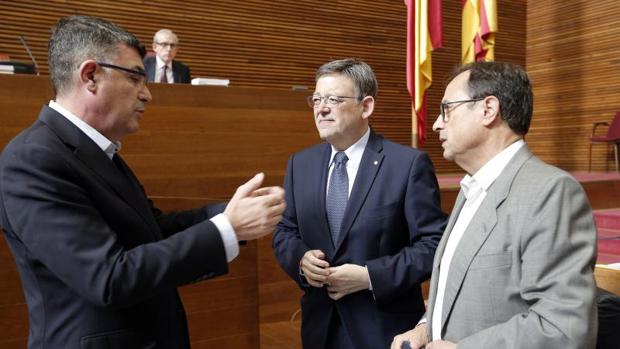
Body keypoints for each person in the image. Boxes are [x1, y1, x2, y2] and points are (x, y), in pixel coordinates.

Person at [0, 15, 285, 349]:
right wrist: (228, 228)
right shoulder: (33, 159)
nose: (147, 94)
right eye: (136, 77)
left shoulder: (96, 151)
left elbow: (152, 231)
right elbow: (108, 278)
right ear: (91, 76)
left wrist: (236, 213)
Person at [391, 61, 598, 349]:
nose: (437, 123)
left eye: (446, 109)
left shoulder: (550, 192)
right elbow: (463, 288)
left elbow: (563, 326)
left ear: (488, 109)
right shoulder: (472, 187)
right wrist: (426, 328)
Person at [272, 58, 447, 349]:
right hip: (320, 328)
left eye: (333, 99)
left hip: (382, 328)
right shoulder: (300, 163)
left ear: (366, 106)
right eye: (316, 99)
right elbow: (285, 231)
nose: (321, 108)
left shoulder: (407, 164)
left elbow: (433, 244)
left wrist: (370, 277)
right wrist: (301, 261)